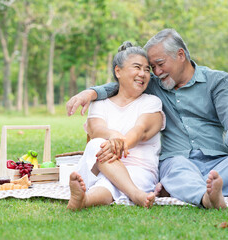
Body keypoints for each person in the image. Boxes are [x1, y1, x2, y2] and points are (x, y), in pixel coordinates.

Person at [66, 29, 228, 209]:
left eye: (159, 64)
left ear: (181, 55)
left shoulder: (217, 80)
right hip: (177, 161)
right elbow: (122, 85)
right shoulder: (156, 84)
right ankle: (206, 197)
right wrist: (90, 93)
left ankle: (202, 187)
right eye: (152, 67)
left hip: (218, 160)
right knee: (175, 170)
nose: (156, 72)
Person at [67, 42, 165, 210]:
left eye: (147, 70)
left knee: (111, 181)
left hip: (139, 168)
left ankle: (85, 200)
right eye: (137, 67)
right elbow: (96, 130)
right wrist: (113, 136)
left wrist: (121, 143)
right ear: (118, 71)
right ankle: (135, 195)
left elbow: (140, 131)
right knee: (96, 144)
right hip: (98, 164)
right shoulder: (100, 103)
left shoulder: (152, 102)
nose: (143, 74)